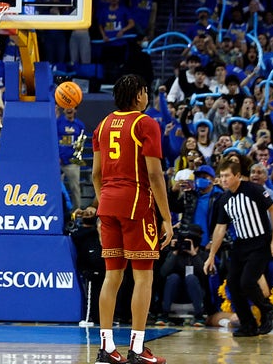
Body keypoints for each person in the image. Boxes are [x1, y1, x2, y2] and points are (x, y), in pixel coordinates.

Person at [90, 73, 173, 364]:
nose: (147, 96)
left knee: (112, 277)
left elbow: (95, 175)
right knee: (142, 278)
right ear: (138, 95)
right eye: (146, 91)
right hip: (136, 204)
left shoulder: (101, 126)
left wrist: (105, 204)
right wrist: (166, 218)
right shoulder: (145, 123)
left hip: (107, 205)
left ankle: (106, 348)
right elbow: (154, 174)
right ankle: (137, 348)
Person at [203, 158, 273, 337]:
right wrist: (211, 255)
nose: (223, 180)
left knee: (247, 282)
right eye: (221, 176)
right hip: (241, 245)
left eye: (227, 176)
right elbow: (220, 228)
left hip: (261, 242)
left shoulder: (254, 190)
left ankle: (266, 309)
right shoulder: (224, 199)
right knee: (233, 284)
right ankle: (248, 325)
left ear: (237, 176)